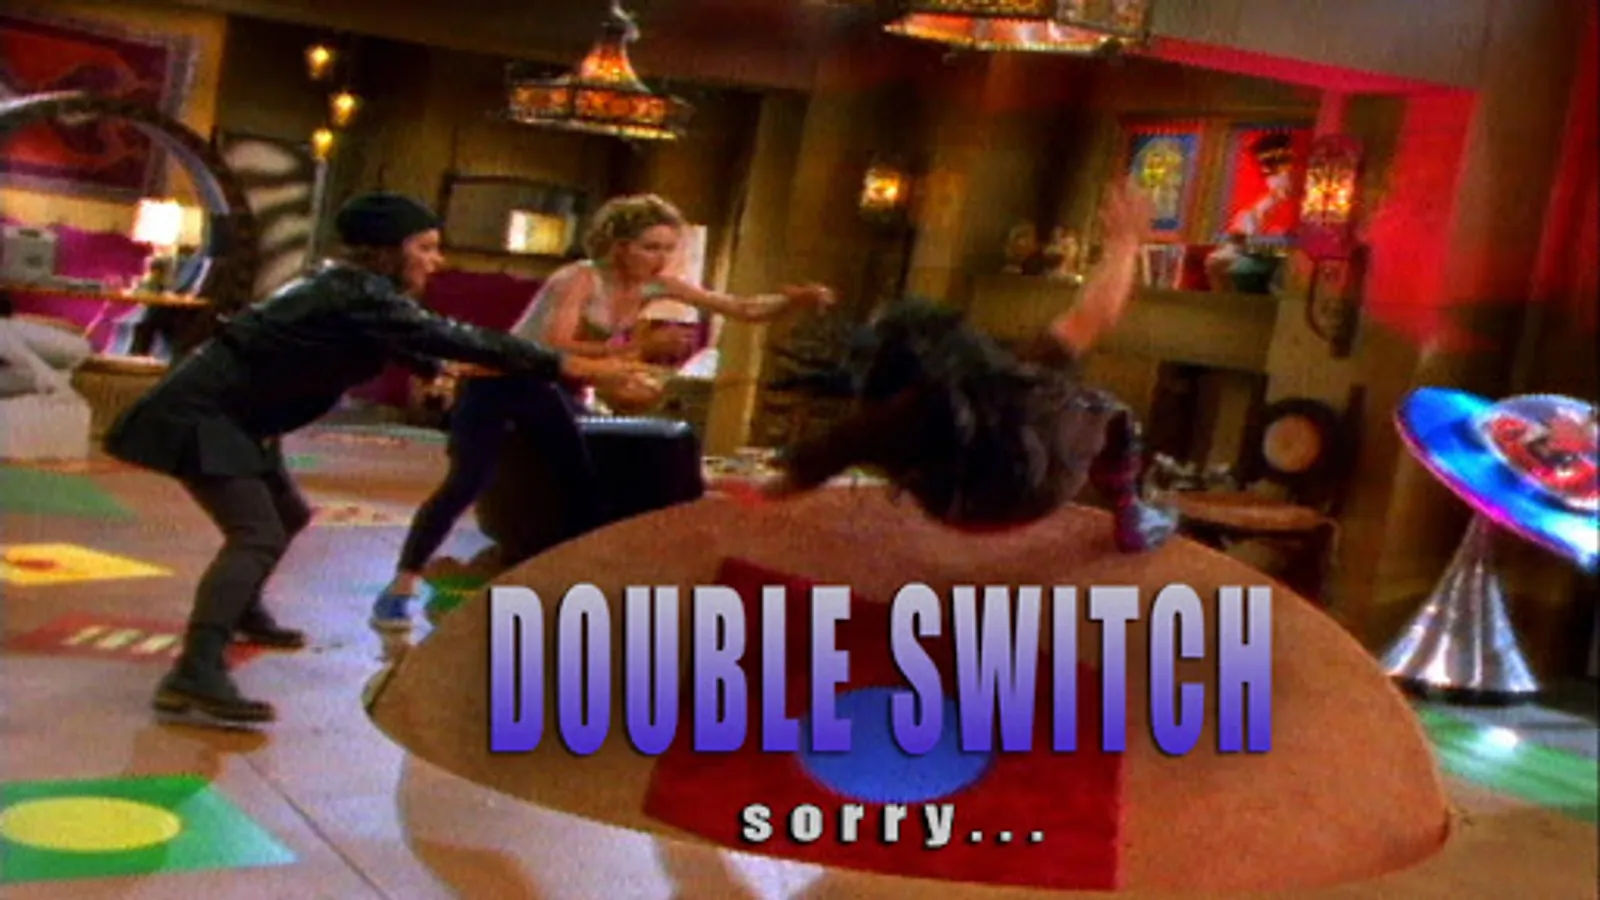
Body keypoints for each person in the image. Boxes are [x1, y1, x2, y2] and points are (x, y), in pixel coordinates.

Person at [102, 192, 646, 726]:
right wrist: (564, 364)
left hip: (242, 418)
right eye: (425, 247)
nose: (437, 260)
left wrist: (436, 369)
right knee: (256, 533)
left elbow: (406, 340)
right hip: (205, 416)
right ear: (387, 250)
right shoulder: (354, 291)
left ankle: (241, 609)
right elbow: (445, 334)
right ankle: (195, 672)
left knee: (287, 514)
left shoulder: (356, 291)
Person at [371, 193, 834, 631]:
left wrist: (790, 302)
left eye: (667, 249)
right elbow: (552, 345)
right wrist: (633, 349)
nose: (660, 259)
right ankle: (401, 586)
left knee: (584, 481)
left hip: (548, 391)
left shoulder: (654, 284)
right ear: (619, 246)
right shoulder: (579, 278)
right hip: (497, 385)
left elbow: (740, 307)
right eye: (650, 247)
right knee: (465, 483)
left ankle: (574, 587)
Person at [754, 180, 1178, 549]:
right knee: (1107, 410)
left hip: (958, 506)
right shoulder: (1004, 375)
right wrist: (1125, 244)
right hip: (1038, 488)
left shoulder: (874, 427)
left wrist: (746, 491)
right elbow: (1095, 314)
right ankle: (1131, 513)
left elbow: (786, 483)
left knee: (1063, 410)